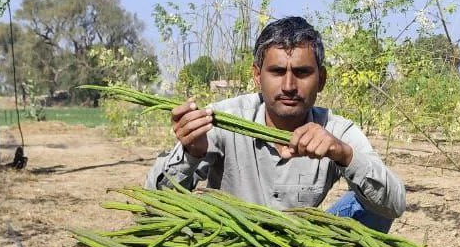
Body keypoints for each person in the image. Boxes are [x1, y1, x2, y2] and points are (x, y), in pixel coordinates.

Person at [145, 16, 406, 231]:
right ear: (257, 76)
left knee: (374, 199)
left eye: (302, 72)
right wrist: (192, 152)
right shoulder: (222, 119)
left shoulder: (335, 130)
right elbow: (152, 203)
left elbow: (395, 204)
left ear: (322, 79)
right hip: (232, 246)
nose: (289, 86)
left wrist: (344, 155)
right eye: (277, 72)